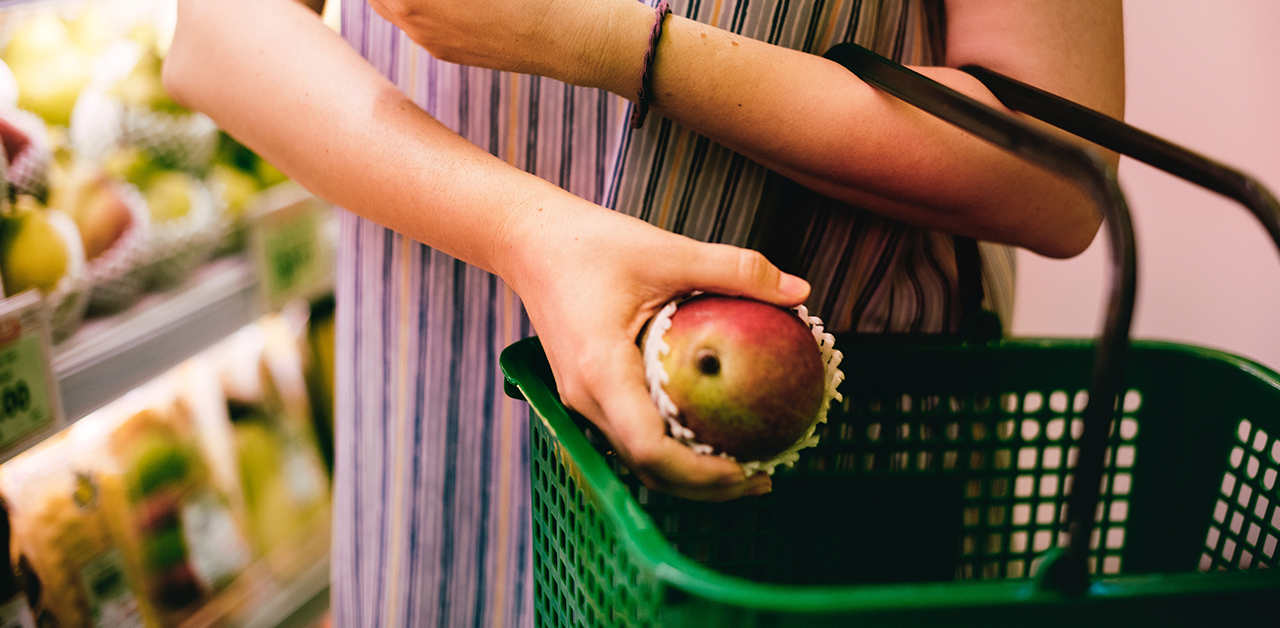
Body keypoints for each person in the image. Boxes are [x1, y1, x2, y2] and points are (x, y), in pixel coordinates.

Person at [163, 0, 1123, 625]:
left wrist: (603, 40)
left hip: (821, 445)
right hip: (436, 419)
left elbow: (1055, 168)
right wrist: (526, 232)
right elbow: (217, 32)